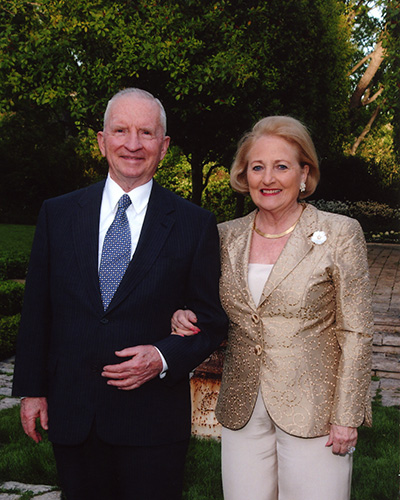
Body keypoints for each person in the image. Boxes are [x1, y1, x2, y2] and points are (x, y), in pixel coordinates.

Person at [12, 88, 228, 500]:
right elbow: (37, 309)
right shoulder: (57, 214)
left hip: (152, 419)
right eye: (121, 130)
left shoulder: (193, 224)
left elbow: (211, 320)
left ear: (163, 147)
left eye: (146, 133)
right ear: (101, 140)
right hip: (73, 411)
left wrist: (164, 356)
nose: (132, 144)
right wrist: (33, 389)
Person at [171, 116, 373, 500]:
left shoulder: (340, 233)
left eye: (281, 166)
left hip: (316, 411)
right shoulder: (223, 236)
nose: (268, 178)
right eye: (257, 167)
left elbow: (357, 331)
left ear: (304, 173)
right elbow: (202, 305)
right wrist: (181, 314)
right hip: (241, 408)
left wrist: (347, 415)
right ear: (243, 175)